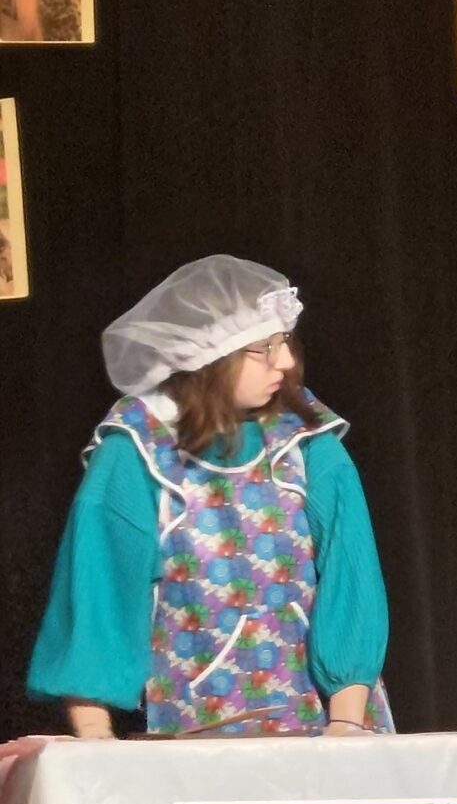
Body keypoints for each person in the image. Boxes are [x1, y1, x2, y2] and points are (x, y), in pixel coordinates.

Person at [30, 255, 392, 738]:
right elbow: (99, 592)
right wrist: (95, 738)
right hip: (198, 732)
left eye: (284, 341)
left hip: (326, 728)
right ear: (210, 358)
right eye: (264, 348)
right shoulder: (138, 451)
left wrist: (346, 721)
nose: (285, 361)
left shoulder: (304, 440)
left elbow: (352, 575)